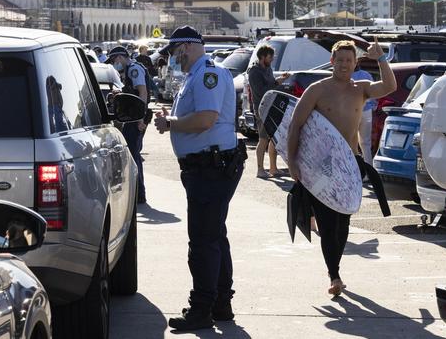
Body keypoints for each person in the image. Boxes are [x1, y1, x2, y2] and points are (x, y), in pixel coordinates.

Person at [286, 38, 396, 296]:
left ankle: (335, 269)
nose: (345, 65)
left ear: (355, 63)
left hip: (350, 165)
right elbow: (295, 125)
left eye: (350, 60)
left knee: (343, 222)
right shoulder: (317, 90)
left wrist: (381, 58)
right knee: (327, 223)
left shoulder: (361, 88)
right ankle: (334, 275)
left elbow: (390, 86)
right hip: (321, 167)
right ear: (332, 61)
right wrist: (292, 162)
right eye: (341, 60)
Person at [154, 26, 246, 331]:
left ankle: (202, 309)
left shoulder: (208, 73)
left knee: (203, 241)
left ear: (187, 47)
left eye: (173, 50)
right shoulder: (196, 75)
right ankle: (220, 304)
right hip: (207, 167)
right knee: (214, 236)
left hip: (211, 167)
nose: (171, 57)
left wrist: (170, 123)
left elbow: (206, 119)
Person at [106, 46, 149, 204]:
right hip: (132, 116)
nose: (114, 64)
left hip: (135, 118)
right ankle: (137, 191)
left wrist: (140, 118)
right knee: (132, 154)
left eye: (113, 60)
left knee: (133, 155)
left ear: (119, 58)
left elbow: (142, 93)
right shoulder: (129, 70)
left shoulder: (134, 69)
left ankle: (139, 192)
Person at [247, 44, 289, 178]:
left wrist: (280, 81)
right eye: (270, 57)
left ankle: (273, 168)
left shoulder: (268, 68)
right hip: (261, 108)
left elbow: (271, 85)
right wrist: (278, 82)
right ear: (262, 57)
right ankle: (260, 170)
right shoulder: (254, 71)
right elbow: (261, 91)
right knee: (263, 139)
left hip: (272, 106)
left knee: (274, 139)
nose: (272, 59)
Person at [352, 60, 375, 169]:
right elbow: (373, 94)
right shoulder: (367, 75)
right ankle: (369, 171)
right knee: (365, 143)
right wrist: (373, 105)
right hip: (367, 111)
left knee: (351, 142)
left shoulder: (347, 76)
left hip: (352, 111)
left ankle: (355, 170)